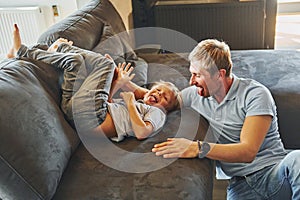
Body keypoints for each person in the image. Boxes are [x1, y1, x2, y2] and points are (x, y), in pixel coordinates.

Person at [149, 39, 300, 199]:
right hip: (240, 186)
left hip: (274, 174)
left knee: (298, 159)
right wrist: (129, 92)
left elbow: (247, 152)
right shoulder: (195, 94)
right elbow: (166, 98)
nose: (191, 81)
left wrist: (198, 148)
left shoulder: (255, 94)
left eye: (197, 75)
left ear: (219, 74)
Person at [8, 24, 180, 142]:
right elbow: (108, 102)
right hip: (73, 109)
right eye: (157, 90)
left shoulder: (157, 114)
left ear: (167, 108)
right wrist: (117, 83)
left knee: (106, 64)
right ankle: (53, 49)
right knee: (75, 62)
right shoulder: (139, 105)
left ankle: (41, 49)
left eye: (164, 97)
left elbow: (142, 133)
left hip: (90, 119)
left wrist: (130, 103)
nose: (158, 94)